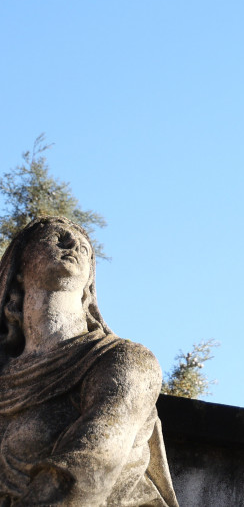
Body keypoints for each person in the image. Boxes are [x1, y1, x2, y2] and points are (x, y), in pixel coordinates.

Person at [0, 217, 178, 507]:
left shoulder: (126, 361)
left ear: (89, 283)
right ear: (19, 267)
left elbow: (92, 463)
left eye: (84, 246)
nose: (74, 244)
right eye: (56, 236)